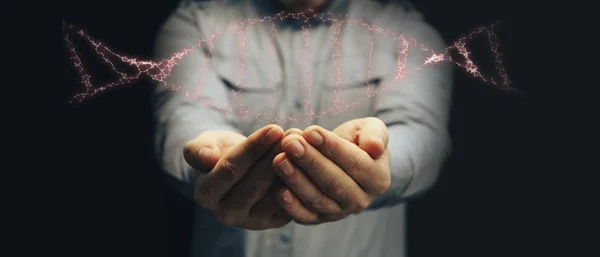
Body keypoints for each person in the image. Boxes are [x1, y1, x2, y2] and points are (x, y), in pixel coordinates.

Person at [152, 0, 453, 256]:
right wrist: (211, 162)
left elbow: (420, 135)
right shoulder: (198, 22)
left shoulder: (406, 30)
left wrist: (380, 161)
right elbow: (184, 120)